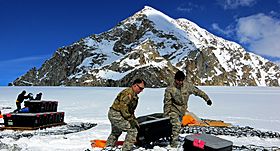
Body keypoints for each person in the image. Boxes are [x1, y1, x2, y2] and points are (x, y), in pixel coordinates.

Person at [163, 70, 212, 147]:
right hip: (174, 110)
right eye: (178, 80)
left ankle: (170, 137)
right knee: (176, 125)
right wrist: (165, 115)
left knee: (179, 126)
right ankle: (174, 145)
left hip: (182, 111)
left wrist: (207, 99)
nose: (180, 82)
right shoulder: (170, 89)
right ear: (175, 79)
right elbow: (167, 103)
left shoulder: (187, 86)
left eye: (181, 80)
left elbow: (198, 92)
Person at [106, 79, 145, 151]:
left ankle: (108, 147)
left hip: (115, 114)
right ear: (135, 85)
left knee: (116, 132)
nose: (141, 90)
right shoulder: (128, 93)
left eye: (143, 89)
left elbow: (131, 110)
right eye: (140, 88)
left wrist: (134, 119)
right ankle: (126, 149)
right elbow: (124, 108)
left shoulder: (133, 95)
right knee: (132, 130)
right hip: (117, 115)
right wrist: (130, 120)